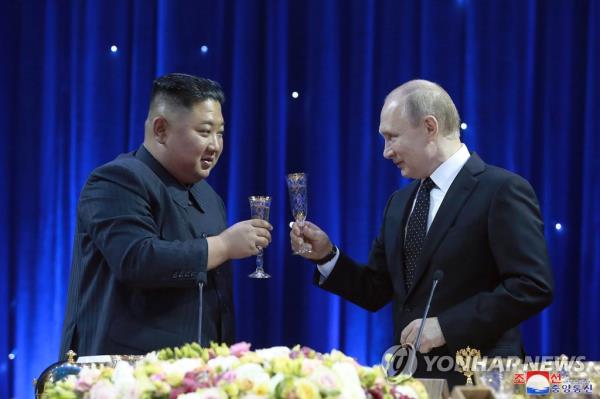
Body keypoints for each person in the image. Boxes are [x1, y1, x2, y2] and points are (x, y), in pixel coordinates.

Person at [290, 79, 553, 386]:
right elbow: (376, 289)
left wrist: (446, 326)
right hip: (413, 383)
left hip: (481, 382)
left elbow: (532, 286)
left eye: (392, 137)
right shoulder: (399, 203)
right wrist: (327, 256)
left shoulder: (501, 190)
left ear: (430, 127)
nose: (386, 152)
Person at [60, 73, 272, 357]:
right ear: (161, 129)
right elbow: (136, 259)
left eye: (220, 132)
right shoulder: (116, 179)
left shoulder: (209, 197)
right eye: (204, 131)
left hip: (197, 374)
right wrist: (222, 246)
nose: (215, 145)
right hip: (124, 374)